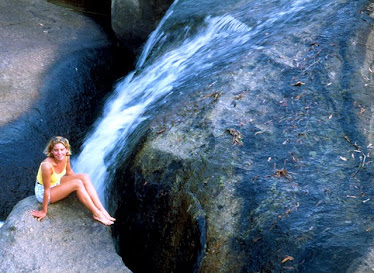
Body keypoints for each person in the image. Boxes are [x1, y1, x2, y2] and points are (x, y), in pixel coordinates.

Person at [30, 136, 115, 226]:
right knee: (77, 184)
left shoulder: (65, 156)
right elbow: (47, 190)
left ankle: (102, 210)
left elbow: (69, 172)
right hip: (43, 192)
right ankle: (97, 214)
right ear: (51, 151)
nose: (59, 153)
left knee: (84, 177)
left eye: (62, 149)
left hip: (56, 182)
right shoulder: (46, 166)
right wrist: (43, 211)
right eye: (56, 150)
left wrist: (79, 186)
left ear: (66, 149)